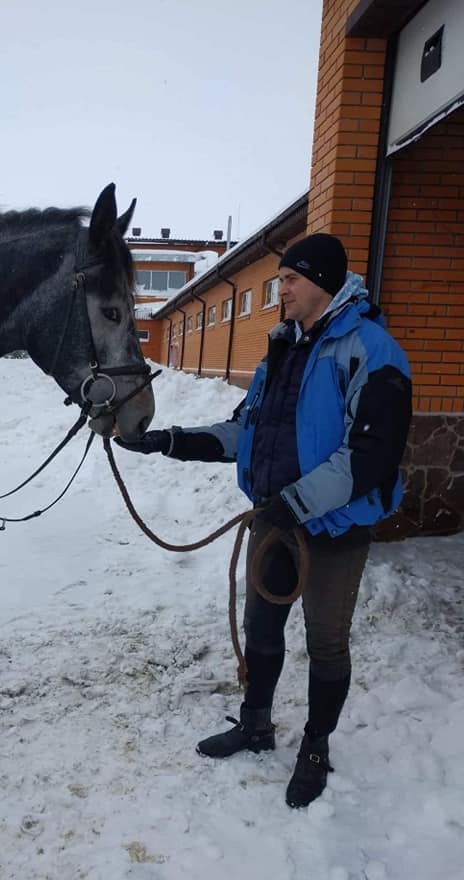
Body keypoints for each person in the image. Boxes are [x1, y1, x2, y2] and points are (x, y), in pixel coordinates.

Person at [115, 233, 412, 808]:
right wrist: (173, 441)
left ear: (323, 283)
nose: (281, 289)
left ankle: (316, 747)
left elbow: (370, 458)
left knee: (326, 644)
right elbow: (244, 431)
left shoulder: (372, 350)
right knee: (262, 629)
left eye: (291, 279)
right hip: (276, 524)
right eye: (280, 278)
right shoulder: (281, 348)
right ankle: (256, 724)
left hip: (333, 530)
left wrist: (294, 503)